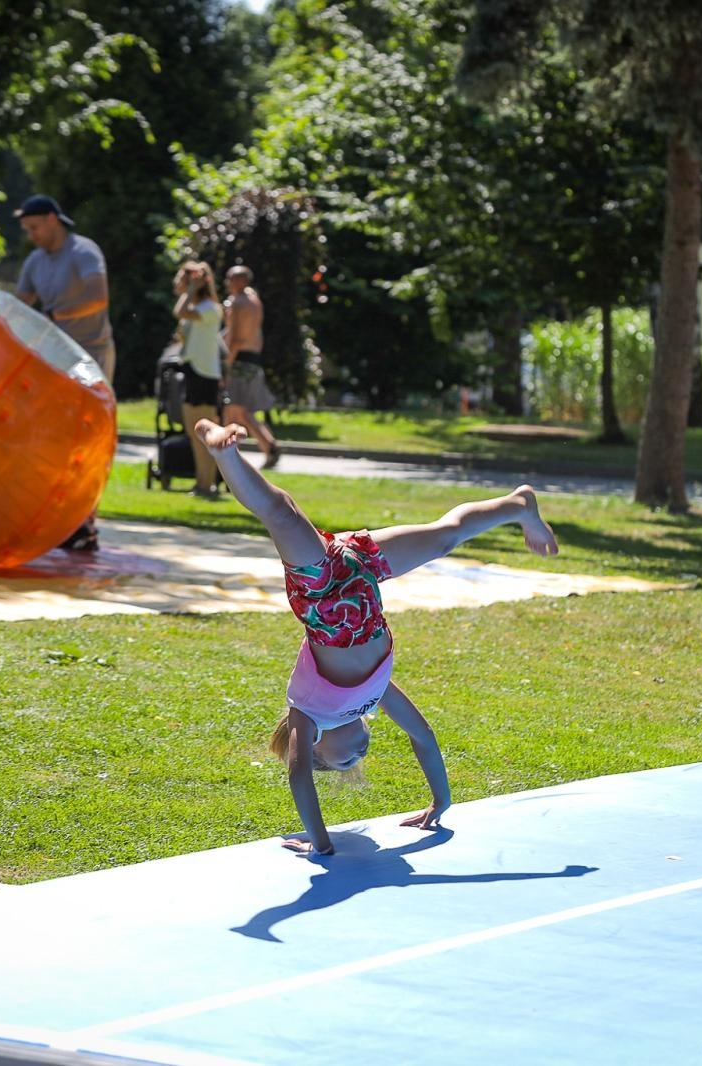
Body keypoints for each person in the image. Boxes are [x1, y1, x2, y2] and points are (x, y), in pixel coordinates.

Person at [193, 417, 559, 855]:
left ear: (315, 748)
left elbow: (297, 775)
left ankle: (224, 453)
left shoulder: (307, 715)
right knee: (446, 538)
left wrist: (322, 844)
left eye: (344, 759)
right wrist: (441, 800)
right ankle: (519, 504)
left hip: (323, 592)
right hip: (363, 574)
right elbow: (422, 734)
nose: (358, 754)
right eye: (357, 761)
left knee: (282, 514)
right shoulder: (375, 695)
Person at [14, 193, 114, 552]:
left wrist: (57, 317)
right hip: (54, 361)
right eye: (27, 229)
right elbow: (19, 302)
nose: (32, 235)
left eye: (35, 227)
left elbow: (98, 296)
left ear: (54, 219)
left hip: (92, 357)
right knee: (50, 438)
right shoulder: (35, 261)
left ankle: (85, 523)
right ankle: (56, 516)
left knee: (87, 439)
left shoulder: (83, 252)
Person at [174, 262, 225, 500]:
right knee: (194, 432)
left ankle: (209, 485)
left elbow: (180, 312)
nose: (176, 283)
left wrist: (191, 289)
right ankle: (202, 483)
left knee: (206, 434)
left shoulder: (209, 307)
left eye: (181, 279)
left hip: (204, 374)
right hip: (193, 370)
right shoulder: (199, 306)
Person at [221, 265, 280, 469]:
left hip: (239, 359)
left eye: (230, 279)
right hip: (253, 358)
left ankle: (231, 455)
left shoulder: (237, 303)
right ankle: (268, 446)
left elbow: (235, 337)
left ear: (240, 281)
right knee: (240, 411)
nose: (226, 283)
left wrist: (225, 364)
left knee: (233, 410)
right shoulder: (254, 300)